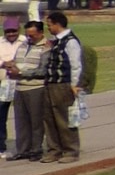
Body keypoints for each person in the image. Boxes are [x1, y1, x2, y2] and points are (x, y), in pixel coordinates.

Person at [38, 12, 86, 163]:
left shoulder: (70, 41)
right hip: (50, 84)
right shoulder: (54, 41)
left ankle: (71, 151)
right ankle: (54, 150)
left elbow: (75, 64)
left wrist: (74, 85)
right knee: (49, 118)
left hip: (63, 85)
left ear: (57, 24)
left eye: (50, 25)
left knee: (63, 119)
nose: (48, 28)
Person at [3, 21, 43, 161]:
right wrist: (10, 67)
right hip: (19, 88)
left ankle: (36, 150)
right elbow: (16, 62)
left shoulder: (45, 48)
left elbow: (42, 70)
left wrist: (20, 73)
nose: (29, 38)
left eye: (32, 35)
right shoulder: (23, 45)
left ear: (40, 33)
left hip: (35, 88)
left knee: (36, 121)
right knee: (21, 121)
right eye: (27, 35)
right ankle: (23, 149)